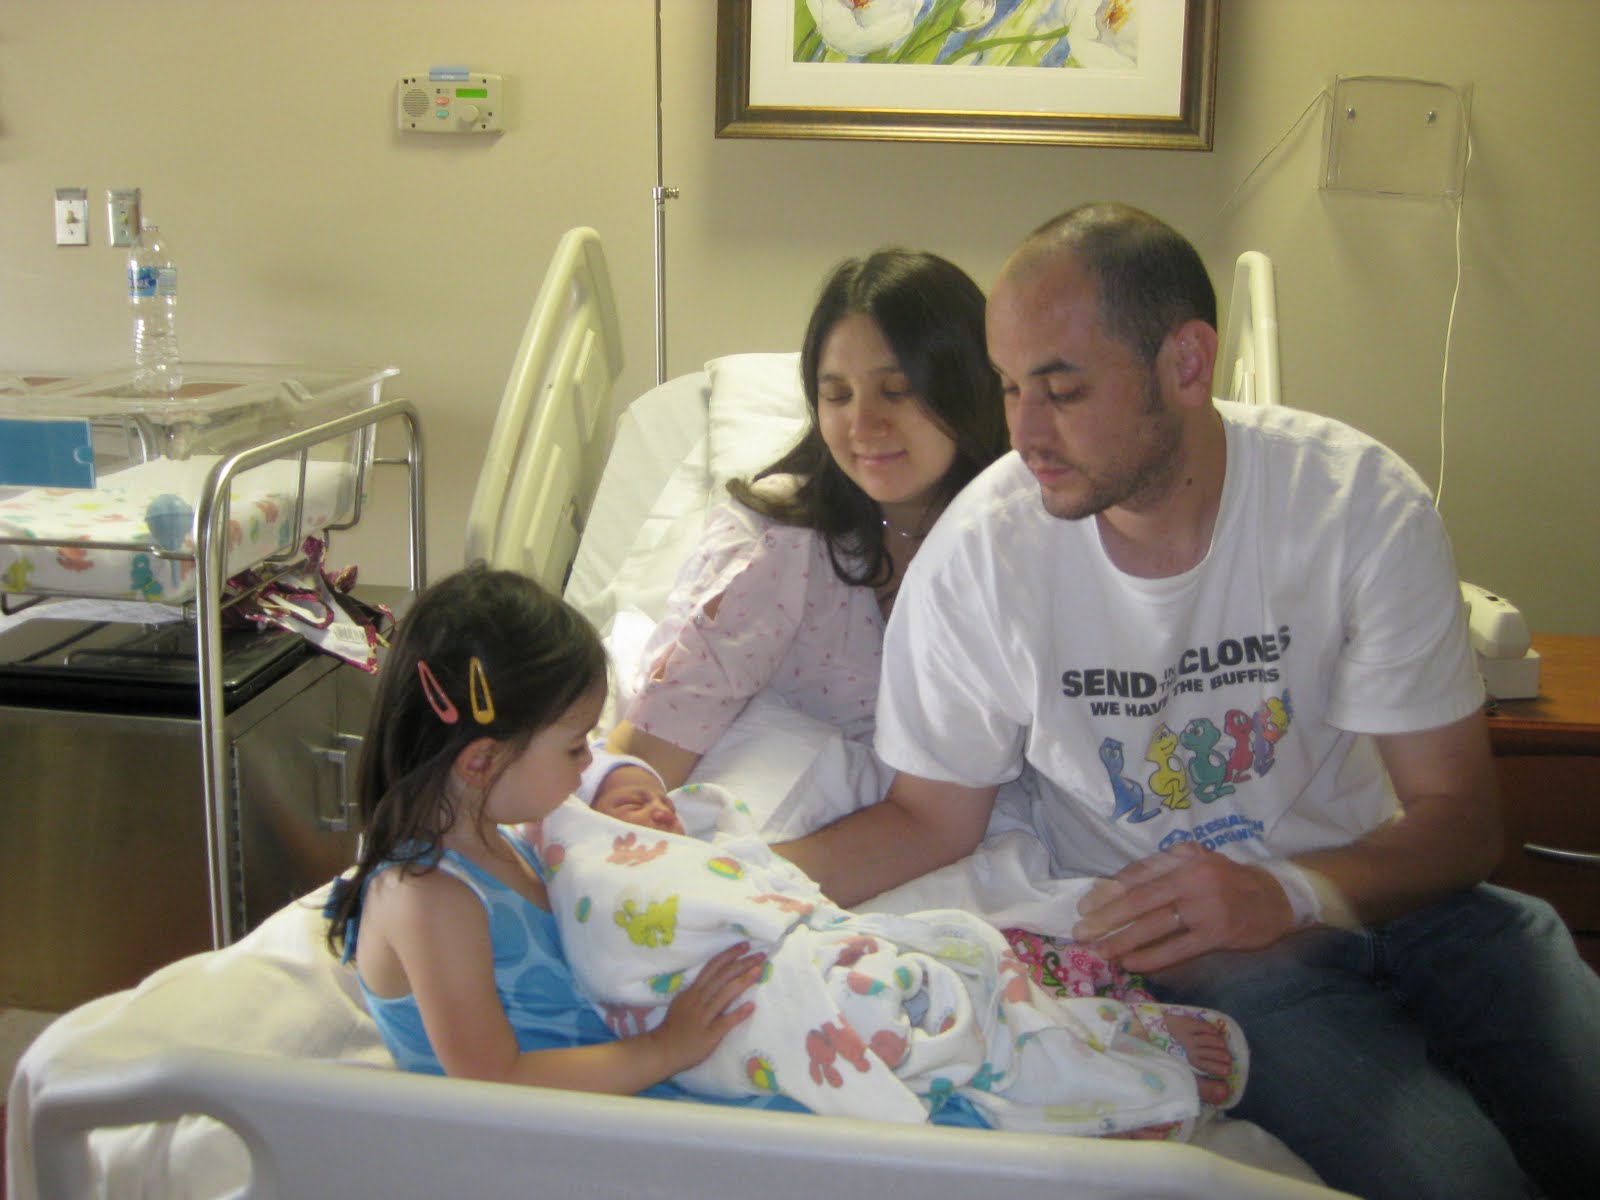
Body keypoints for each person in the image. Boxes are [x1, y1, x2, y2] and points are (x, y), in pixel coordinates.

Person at [776, 202, 1600, 1199]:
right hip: (1217, 965)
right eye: (1008, 387)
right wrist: (723, 886)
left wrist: (1284, 891)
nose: (1022, 433)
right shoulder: (982, 560)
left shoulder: (1353, 506)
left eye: (1061, 390)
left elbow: (1460, 823)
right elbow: (926, 820)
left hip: (1420, 906)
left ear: (1187, 363)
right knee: (1463, 1181)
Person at [535, 746, 1245, 1138]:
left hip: (804, 955)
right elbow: (630, 942)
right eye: (630, 804)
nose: (658, 811)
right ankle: (1089, 1096)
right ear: (590, 826)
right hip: (735, 1007)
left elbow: (761, 887)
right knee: (912, 1014)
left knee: (966, 958)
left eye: (661, 799)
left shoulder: (696, 852)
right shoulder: (600, 877)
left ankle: (1086, 1049)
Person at [321, 563, 780, 1104]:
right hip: (538, 1130)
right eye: (575, 746)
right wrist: (665, 1048)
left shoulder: (501, 841)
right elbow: (493, 1080)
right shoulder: (427, 898)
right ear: (482, 762)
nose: (589, 763)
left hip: (598, 1095)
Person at [606, 247, 1008, 790]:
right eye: (837, 395)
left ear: (971, 390)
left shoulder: (1019, 540)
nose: (862, 425)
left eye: (896, 391)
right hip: (778, 816)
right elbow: (643, 763)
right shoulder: (779, 550)